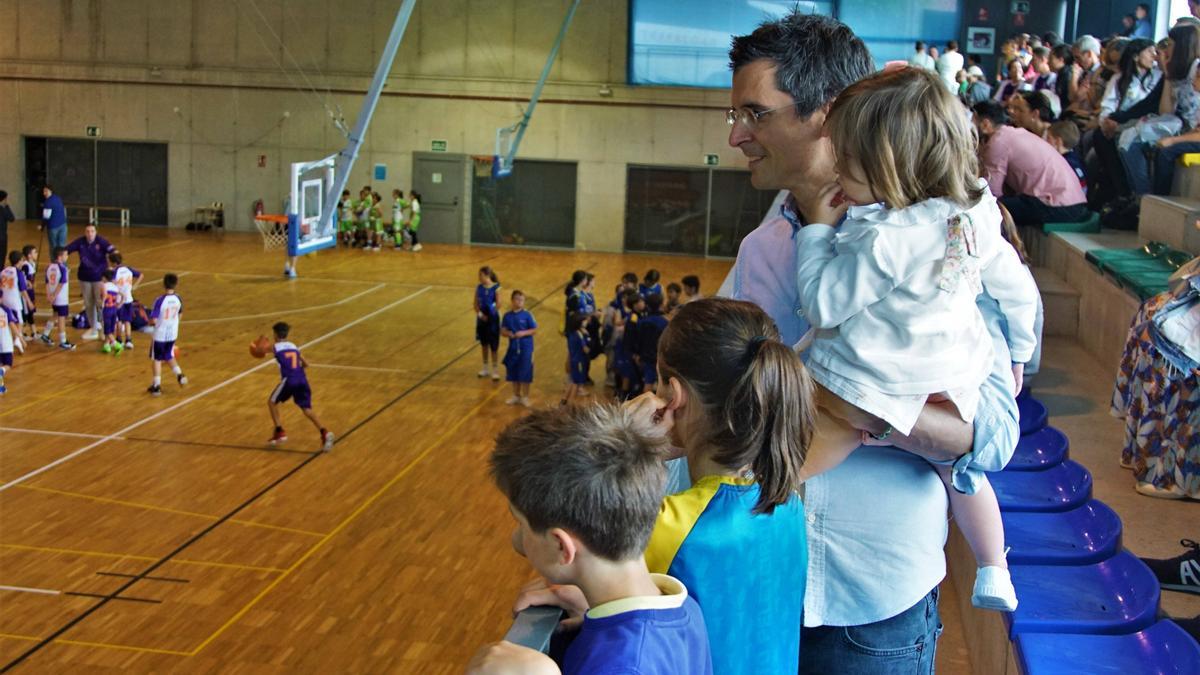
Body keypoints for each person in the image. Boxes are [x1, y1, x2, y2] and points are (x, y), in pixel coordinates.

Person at [724, 13, 1021, 670]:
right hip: (764, 584)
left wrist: (866, 406)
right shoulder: (760, 251)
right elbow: (717, 398)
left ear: (828, 114)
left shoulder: (940, 237)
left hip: (873, 604)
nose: (738, 134)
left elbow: (996, 429)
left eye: (756, 113)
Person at [797, 67, 1036, 611]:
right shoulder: (973, 213)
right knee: (961, 473)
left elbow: (823, 304)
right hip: (952, 379)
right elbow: (1017, 289)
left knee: (826, 421)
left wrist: (815, 230)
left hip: (875, 381)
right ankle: (994, 567)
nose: (836, 168)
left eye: (848, 160)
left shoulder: (886, 238)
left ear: (890, 164)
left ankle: (768, 491)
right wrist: (1020, 353)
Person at [469, 404, 713, 675]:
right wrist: (597, 612)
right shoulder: (684, 607)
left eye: (521, 525)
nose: (517, 540)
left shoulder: (625, 667)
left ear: (562, 547)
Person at [973, 100, 1090, 227]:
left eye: (973, 122)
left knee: (986, 208)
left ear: (985, 124)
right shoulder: (1013, 134)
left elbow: (990, 192)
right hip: (1073, 204)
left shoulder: (998, 142)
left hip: (1059, 206)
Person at [1126, 23, 1200, 195]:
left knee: (1166, 151)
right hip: (1186, 128)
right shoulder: (1180, 72)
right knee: (1133, 141)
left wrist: (1173, 140)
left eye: (1171, 44)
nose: (1167, 50)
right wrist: (1168, 75)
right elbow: (1166, 112)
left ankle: (1158, 200)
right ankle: (1140, 195)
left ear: (1182, 45)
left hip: (1188, 131)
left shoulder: (1197, 69)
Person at [267, 321, 335, 451]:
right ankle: (324, 432)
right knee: (306, 409)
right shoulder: (293, 346)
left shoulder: (276, 347)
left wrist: (257, 345)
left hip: (289, 380)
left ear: (275, 334)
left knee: (271, 402)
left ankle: (279, 431)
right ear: (286, 334)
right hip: (302, 379)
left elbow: (260, 350)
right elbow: (306, 364)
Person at [65, 224, 115, 340]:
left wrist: (112, 266)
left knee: (99, 304)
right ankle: (93, 328)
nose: (90, 233)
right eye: (87, 231)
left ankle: (103, 329)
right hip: (84, 277)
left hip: (99, 278)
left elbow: (112, 250)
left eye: (92, 231)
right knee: (88, 304)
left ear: (95, 232)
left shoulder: (100, 241)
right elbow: (67, 249)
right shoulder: (81, 242)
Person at [147, 273, 188, 396]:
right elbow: (180, 314)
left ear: (163, 284)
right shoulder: (178, 298)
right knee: (168, 355)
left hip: (160, 334)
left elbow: (153, 320)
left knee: (157, 359)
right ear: (176, 284)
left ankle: (157, 385)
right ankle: (180, 375)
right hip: (172, 333)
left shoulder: (160, 300)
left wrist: (149, 322)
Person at [501, 290, 536, 406]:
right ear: (512, 300)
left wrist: (523, 333)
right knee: (513, 371)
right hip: (513, 348)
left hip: (526, 348)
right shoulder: (507, 316)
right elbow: (503, 330)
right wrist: (508, 334)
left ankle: (525, 397)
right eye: (517, 299)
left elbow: (534, 330)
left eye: (522, 300)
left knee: (525, 372)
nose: (520, 302)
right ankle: (516, 395)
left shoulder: (527, 315)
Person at [39, 246, 74, 350]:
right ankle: (63, 341)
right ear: (60, 256)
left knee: (55, 314)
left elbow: (46, 282)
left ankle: (45, 334)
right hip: (61, 298)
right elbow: (61, 283)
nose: (67, 256)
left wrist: (49, 295)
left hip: (53, 298)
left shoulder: (49, 267)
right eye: (66, 254)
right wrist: (54, 295)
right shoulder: (62, 268)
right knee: (61, 318)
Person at [634, 293, 667, 394]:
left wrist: (638, 354)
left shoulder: (642, 322)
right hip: (658, 357)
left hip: (646, 356)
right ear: (661, 305)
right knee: (656, 383)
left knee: (648, 382)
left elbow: (638, 340)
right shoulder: (664, 322)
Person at [109, 252, 141, 350]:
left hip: (119, 300)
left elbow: (112, 282)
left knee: (119, 320)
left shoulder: (115, 272)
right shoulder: (128, 269)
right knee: (127, 320)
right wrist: (135, 285)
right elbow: (141, 275)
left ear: (113, 263)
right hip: (129, 298)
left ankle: (119, 340)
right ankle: (128, 340)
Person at [474, 266, 502, 381]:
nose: (479, 278)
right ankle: (485, 368)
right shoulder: (478, 288)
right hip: (482, 318)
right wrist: (481, 315)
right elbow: (475, 304)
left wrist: (491, 312)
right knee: (484, 343)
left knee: (493, 345)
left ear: (487, 275)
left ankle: (495, 370)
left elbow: (499, 303)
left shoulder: (496, 288)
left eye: (480, 275)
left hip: (493, 319)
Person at [1048, 120, 1088, 194]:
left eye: (1048, 138)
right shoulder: (1076, 159)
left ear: (1058, 141)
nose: (1045, 141)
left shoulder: (1062, 164)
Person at [560, 312, 589, 406]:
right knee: (576, 383)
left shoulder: (571, 334)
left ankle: (564, 400)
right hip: (579, 361)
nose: (586, 322)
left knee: (572, 381)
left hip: (573, 359)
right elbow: (586, 349)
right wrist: (587, 337)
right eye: (584, 320)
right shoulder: (580, 335)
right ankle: (570, 404)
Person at [1, 251, 27, 354]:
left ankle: (14, 340)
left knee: (9, 321)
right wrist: (29, 302)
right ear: (19, 261)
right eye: (22, 260)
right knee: (20, 321)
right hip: (14, 300)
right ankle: (17, 340)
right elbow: (23, 289)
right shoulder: (18, 272)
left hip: (4, 299)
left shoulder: (3, 271)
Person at [99, 269, 123, 354]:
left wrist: (102, 303)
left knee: (107, 329)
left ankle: (115, 344)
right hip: (114, 309)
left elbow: (105, 295)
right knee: (111, 328)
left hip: (107, 309)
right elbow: (123, 295)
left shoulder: (103, 285)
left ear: (104, 278)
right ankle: (106, 345)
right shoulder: (115, 286)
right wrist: (120, 303)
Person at [39, 185, 67, 251]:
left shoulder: (48, 202)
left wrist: (42, 226)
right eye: (43, 191)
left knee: (53, 247)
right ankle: (62, 261)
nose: (44, 193)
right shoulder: (58, 198)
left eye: (46, 191)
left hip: (53, 227)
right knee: (62, 246)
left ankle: (54, 261)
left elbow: (46, 217)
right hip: (63, 224)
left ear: (50, 191)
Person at [19, 245, 37, 341]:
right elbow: (22, 277)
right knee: (26, 313)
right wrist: (27, 283)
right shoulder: (26, 265)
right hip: (26, 293)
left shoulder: (32, 264)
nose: (36, 254)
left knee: (31, 312)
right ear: (29, 255)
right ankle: (22, 333)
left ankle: (34, 332)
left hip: (31, 292)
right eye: (35, 252)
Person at [0, 191, 13, 261]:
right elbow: (12, 218)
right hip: (2, 237)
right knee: (2, 255)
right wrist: (7, 206)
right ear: (4, 199)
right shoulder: (3, 209)